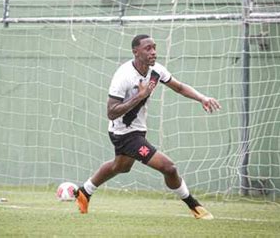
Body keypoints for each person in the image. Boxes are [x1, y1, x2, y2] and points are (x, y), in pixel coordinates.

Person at [74, 34, 221, 220]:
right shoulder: (123, 76)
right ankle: (194, 206)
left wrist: (202, 98)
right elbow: (111, 112)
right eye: (148, 48)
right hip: (124, 134)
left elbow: (180, 87)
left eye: (154, 47)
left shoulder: (156, 71)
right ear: (135, 52)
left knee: (120, 166)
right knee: (169, 167)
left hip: (138, 129)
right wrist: (139, 96)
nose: (153, 52)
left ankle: (84, 192)